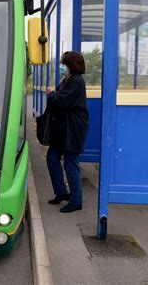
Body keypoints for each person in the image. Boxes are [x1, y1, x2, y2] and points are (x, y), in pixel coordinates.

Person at [44, 51, 89, 213]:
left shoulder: (77, 81)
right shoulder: (68, 79)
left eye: (63, 63)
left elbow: (62, 101)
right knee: (52, 159)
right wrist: (54, 95)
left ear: (71, 65)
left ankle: (76, 201)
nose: (61, 66)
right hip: (63, 130)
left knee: (71, 164)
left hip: (72, 129)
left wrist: (52, 94)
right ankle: (61, 192)